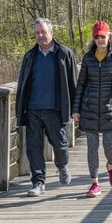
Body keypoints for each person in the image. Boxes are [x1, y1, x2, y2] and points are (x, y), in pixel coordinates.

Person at [15, 18, 78, 197]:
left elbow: (73, 83)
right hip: (32, 108)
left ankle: (62, 165)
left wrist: (76, 108)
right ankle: (38, 182)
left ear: (51, 32)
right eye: (37, 33)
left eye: (43, 32)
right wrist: (19, 111)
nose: (40, 36)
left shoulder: (64, 53)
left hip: (55, 108)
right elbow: (22, 85)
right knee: (33, 148)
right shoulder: (29, 56)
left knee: (60, 144)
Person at [72, 21, 112, 198]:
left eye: (103, 36)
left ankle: (111, 166)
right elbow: (81, 84)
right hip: (89, 108)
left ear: (109, 37)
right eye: (97, 37)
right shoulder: (88, 58)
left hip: (109, 108)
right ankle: (94, 183)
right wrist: (76, 109)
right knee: (92, 147)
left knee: (109, 146)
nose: (100, 40)